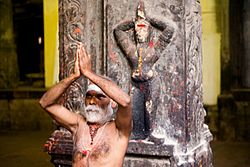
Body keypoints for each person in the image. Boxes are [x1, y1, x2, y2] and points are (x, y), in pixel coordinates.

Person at [39, 43, 132, 167]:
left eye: (100, 97)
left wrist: (88, 73)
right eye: (89, 96)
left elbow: (125, 102)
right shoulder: (78, 124)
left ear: (113, 102)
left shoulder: (119, 130)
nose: (92, 102)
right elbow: (45, 103)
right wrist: (73, 77)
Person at [114, 1, 174, 143]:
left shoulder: (155, 49)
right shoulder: (130, 49)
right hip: (135, 83)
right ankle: (137, 133)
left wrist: (149, 19)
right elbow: (118, 30)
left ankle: (151, 132)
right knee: (135, 109)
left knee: (150, 110)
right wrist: (135, 21)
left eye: (143, 29)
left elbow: (169, 29)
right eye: (137, 29)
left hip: (151, 82)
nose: (139, 32)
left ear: (149, 30)